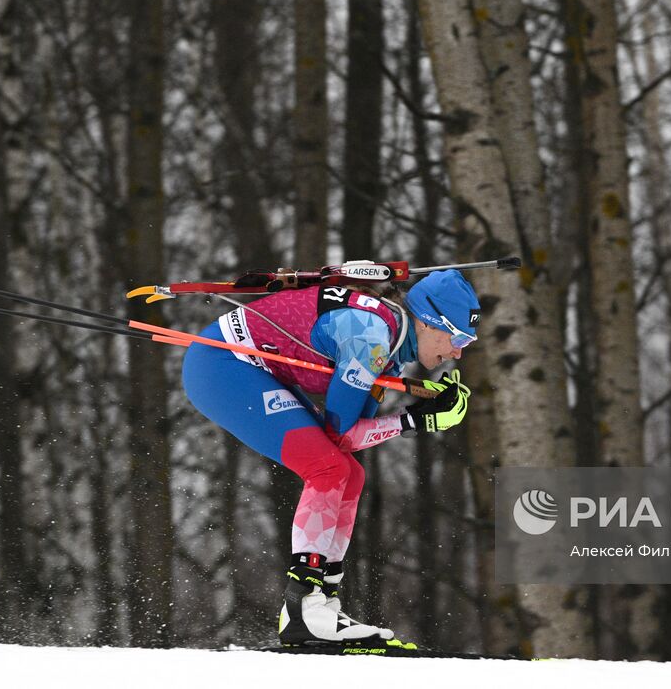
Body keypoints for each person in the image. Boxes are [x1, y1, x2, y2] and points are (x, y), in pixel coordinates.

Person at [180, 269, 479, 647]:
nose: (458, 351)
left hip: (256, 368)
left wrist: (415, 416)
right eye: (458, 337)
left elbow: (348, 440)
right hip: (222, 366)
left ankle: (321, 604)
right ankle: (303, 607)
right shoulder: (370, 339)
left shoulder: (390, 352)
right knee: (328, 468)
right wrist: (414, 420)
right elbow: (343, 434)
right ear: (429, 321)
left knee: (348, 473)